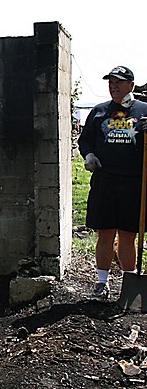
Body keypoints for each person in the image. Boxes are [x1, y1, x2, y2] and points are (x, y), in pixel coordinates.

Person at [78, 65, 147, 301]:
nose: (113, 86)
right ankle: (101, 282)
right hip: (105, 182)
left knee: (128, 235)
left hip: (134, 184)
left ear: (131, 85)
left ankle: (130, 283)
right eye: (110, 82)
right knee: (105, 234)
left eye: (118, 82)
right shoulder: (99, 112)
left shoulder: (144, 111)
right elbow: (85, 141)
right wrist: (88, 155)